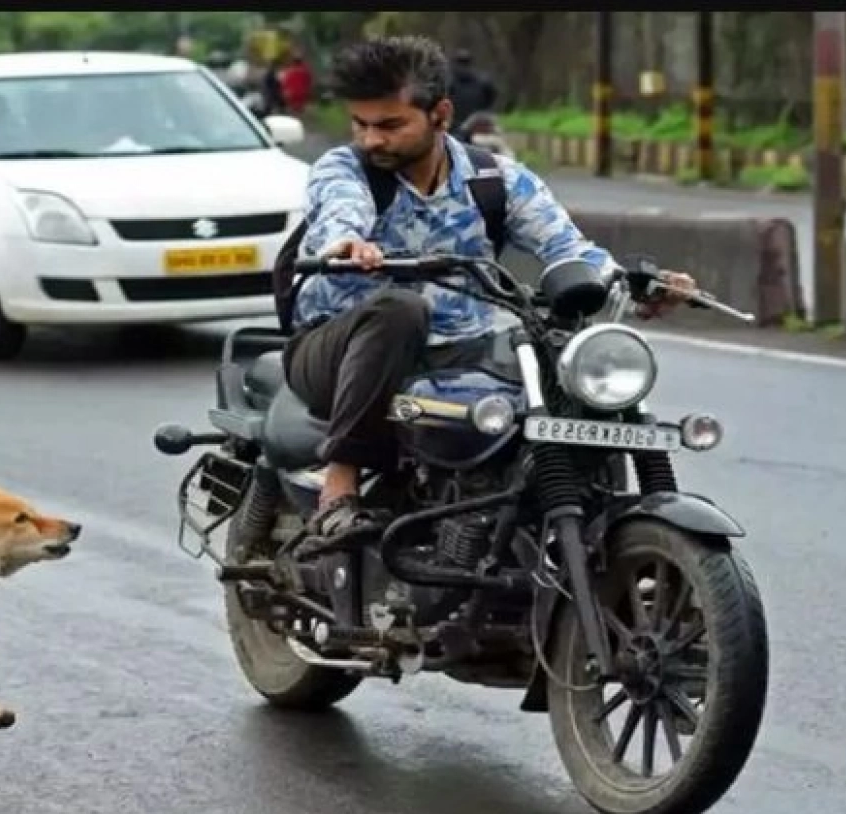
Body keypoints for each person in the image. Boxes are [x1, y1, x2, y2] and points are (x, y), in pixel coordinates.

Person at [285, 36, 695, 538]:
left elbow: (568, 249)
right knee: (400, 309)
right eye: (361, 125)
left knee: (560, 355)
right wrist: (348, 244)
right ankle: (341, 480)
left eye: (390, 125)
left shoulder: (496, 180)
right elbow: (340, 212)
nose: (372, 140)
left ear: (441, 114)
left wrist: (643, 286)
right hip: (339, 351)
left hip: (462, 353)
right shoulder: (345, 169)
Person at [446, 48, 497, 139]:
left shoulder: (449, 82)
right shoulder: (483, 81)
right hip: (475, 127)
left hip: (454, 127)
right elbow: (491, 100)